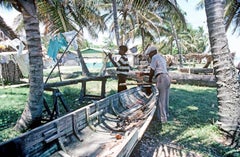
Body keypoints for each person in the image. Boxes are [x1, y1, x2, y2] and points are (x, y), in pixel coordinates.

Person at [145, 45, 171, 123]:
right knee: (166, 98)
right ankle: (166, 114)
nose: (149, 56)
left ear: (153, 52)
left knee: (161, 99)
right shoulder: (161, 57)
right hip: (167, 77)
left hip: (161, 78)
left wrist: (149, 80)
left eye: (149, 54)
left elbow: (152, 70)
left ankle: (163, 119)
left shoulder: (154, 57)